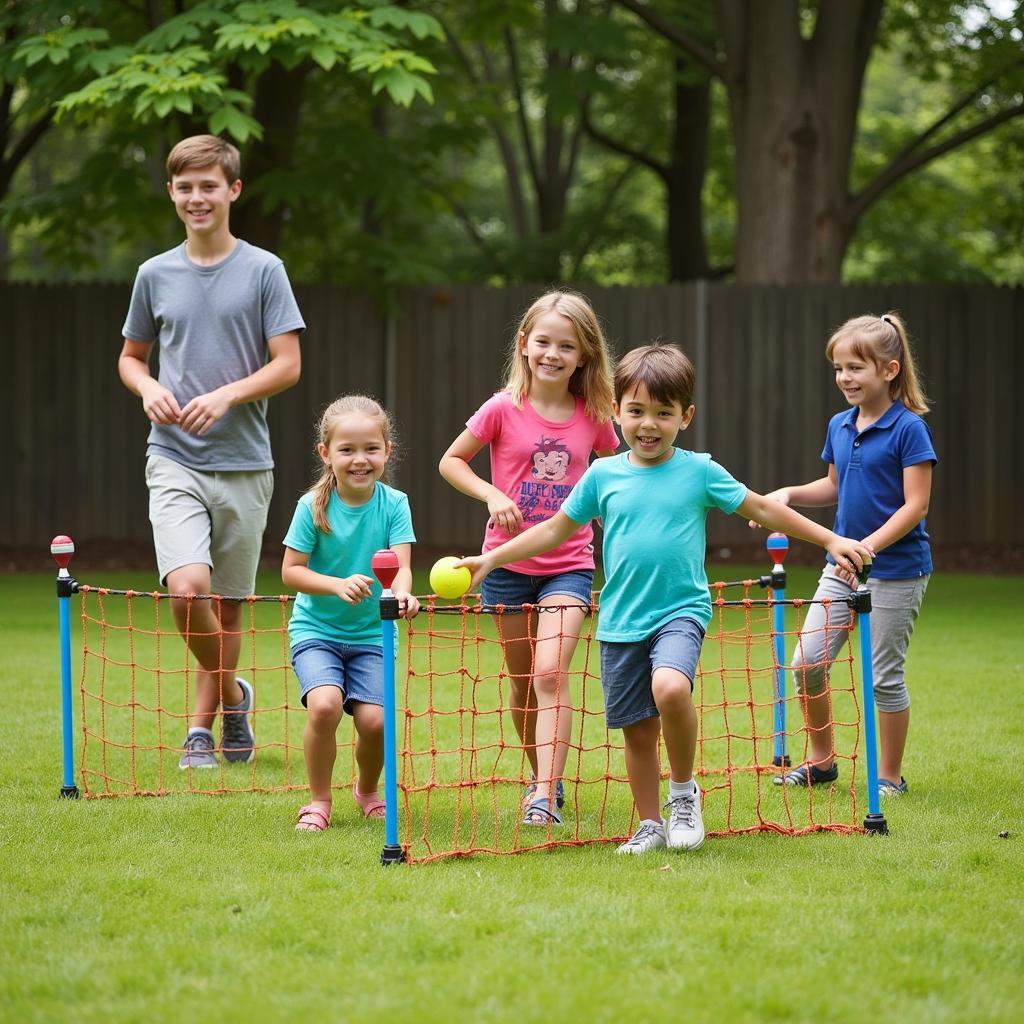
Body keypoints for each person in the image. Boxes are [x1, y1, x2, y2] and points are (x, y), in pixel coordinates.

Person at [455, 343, 873, 855]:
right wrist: (490, 561)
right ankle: (650, 823)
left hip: (680, 611)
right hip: (619, 620)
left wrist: (830, 540)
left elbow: (762, 508)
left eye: (662, 413)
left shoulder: (699, 471)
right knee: (636, 730)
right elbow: (554, 530)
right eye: (636, 411)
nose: (648, 424)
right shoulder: (602, 476)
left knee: (671, 688)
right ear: (616, 413)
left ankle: (683, 795)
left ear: (685, 416)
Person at [119, 134, 304, 770]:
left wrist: (227, 396)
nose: (198, 197)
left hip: (247, 462)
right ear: (171, 192)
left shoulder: (264, 270)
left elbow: (288, 365)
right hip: (172, 455)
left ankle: (205, 728)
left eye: (209, 185)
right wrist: (147, 388)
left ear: (233, 191)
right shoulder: (154, 275)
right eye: (186, 186)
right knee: (185, 591)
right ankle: (234, 697)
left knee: (225, 604)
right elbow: (130, 358)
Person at [439, 290, 618, 827]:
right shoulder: (501, 408)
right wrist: (492, 495)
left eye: (567, 346)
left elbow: (617, 477)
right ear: (523, 345)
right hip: (505, 566)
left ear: (584, 355)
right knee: (523, 686)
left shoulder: (595, 417)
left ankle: (542, 794)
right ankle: (544, 779)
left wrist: (621, 523)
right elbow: (451, 462)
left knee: (550, 674)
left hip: (570, 565)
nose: (553, 354)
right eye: (543, 341)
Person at [753, 313, 935, 797]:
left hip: (897, 571)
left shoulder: (908, 428)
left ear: (889, 370)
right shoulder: (839, 424)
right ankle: (821, 761)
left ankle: (890, 776)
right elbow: (834, 485)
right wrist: (788, 494)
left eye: (856, 368)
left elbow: (916, 504)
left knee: (883, 678)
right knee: (807, 662)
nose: (845, 378)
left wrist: (869, 546)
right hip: (842, 569)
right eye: (838, 369)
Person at [282, 395, 419, 832]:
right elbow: (291, 572)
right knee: (324, 706)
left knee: (375, 721)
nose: (360, 460)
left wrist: (403, 597)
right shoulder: (312, 508)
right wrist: (337, 584)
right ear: (326, 454)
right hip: (316, 629)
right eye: (347, 450)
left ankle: (367, 790)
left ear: (387, 451)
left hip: (372, 636)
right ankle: (319, 800)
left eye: (370, 449)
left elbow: (401, 568)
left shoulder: (395, 504)